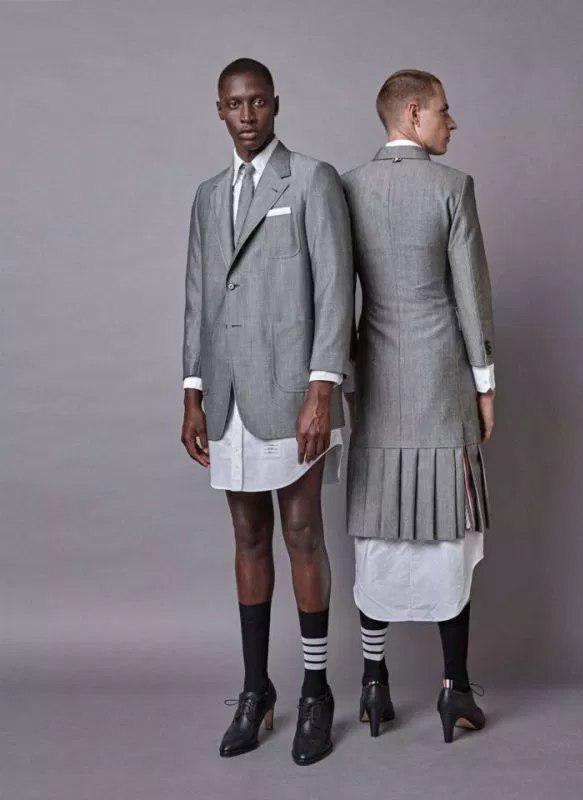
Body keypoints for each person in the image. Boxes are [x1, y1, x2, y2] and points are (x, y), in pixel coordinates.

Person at [180, 58, 352, 765]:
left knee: (303, 532)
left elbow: (336, 287)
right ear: (218, 110)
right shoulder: (206, 195)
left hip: (293, 392)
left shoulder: (311, 180)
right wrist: (192, 389)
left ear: (275, 104)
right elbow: (199, 297)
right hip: (226, 394)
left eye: (257, 102)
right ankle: (257, 690)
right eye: (234, 104)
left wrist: (322, 389)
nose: (246, 115)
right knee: (248, 534)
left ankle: (316, 691)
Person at [341, 69, 496, 743]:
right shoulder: (453, 187)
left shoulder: (348, 188)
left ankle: (373, 686)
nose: (451, 122)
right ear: (412, 113)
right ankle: (453, 690)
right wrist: (486, 384)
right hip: (442, 385)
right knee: (449, 533)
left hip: (373, 385)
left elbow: (334, 298)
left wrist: (339, 377)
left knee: (376, 529)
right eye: (443, 111)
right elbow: (472, 297)